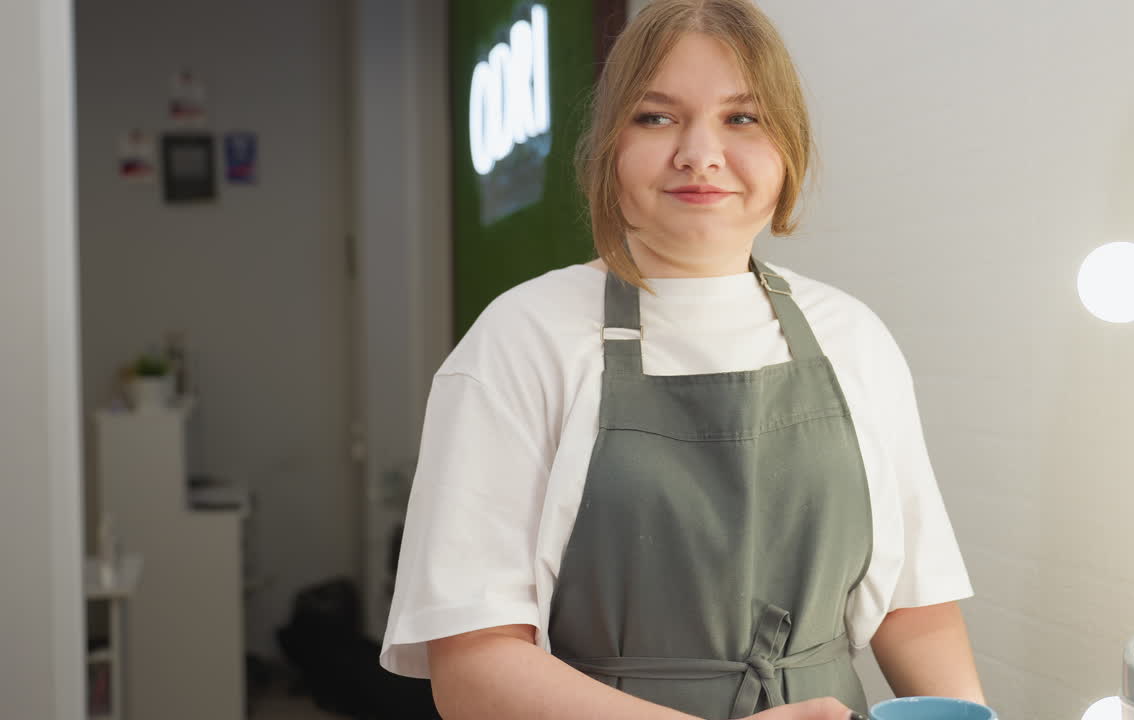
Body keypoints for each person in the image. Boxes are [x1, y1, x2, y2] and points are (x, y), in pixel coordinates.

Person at [379, 1, 985, 717]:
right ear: (609, 147)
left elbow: (913, 609)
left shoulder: (851, 335)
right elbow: (473, 668)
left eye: (743, 118)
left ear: (788, 145)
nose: (700, 153)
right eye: (656, 117)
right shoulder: (522, 339)